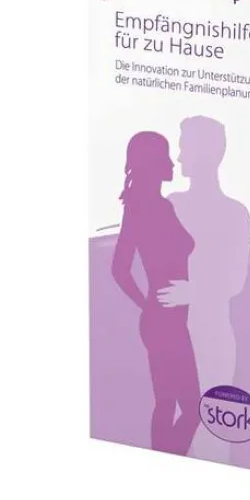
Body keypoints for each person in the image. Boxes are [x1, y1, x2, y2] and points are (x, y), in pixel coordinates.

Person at [158, 117, 250, 461]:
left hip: (212, 338)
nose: (180, 157)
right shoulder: (172, 204)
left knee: (212, 436)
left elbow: (235, 280)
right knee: (174, 431)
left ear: (210, 153)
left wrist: (193, 292)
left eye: (185, 147)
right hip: (173, 336)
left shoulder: (235, 214)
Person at [111, 131, 200, 456]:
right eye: (165, 156)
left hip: (166, 322)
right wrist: (149, 304)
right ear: (151, 163)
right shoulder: (152, 208)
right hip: (164, 324)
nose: (172, 163)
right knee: (181, 406)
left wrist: (148, 305)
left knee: (172, 404)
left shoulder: (147, 207)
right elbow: (119, 269)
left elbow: (120, 269)